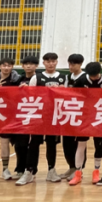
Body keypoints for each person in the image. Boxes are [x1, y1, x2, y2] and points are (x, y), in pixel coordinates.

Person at [15, 53, 67, 186]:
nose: (51, 64)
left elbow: (68, 96)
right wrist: (24, 90)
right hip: (38, 115)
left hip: (54, 115)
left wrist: (62, 91)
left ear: (56, 62)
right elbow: (30, 95)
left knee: (52, 144)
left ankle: (51, 170)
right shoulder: (36, 77)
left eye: (53, 61)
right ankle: (29, 171)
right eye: (48, 61)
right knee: (34, 143)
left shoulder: (63, 77)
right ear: (43, 63)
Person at [66, 62, 102, 187]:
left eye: (95, 76)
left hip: (100, 116)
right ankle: (78, 173)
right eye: (91, 76)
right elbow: (73, 96)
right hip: (84, 116)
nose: (94, 78)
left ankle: (96, 171)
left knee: (98, 144)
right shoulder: (81, 80)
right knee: (81, 144)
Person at [59, 53, 86, 182]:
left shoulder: (85, 77)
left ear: (80, 64)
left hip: (81, 114)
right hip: (68, 113)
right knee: (67, 143)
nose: (70, 66)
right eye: (69, 64)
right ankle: (71, 166)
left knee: (79, 143)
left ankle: (79, 169)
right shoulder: (67, 77)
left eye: (73, 64)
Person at [12, 55, 39, 180]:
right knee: (20, 144)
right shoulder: (18, 80)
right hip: (20, 115)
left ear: (36, 66)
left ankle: (31, 169)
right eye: (26, 64)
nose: (29, 66)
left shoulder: (39, 79)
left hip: (35, 115)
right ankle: (20, 169)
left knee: (33, 144)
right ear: (22, 66)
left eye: (31, 64)